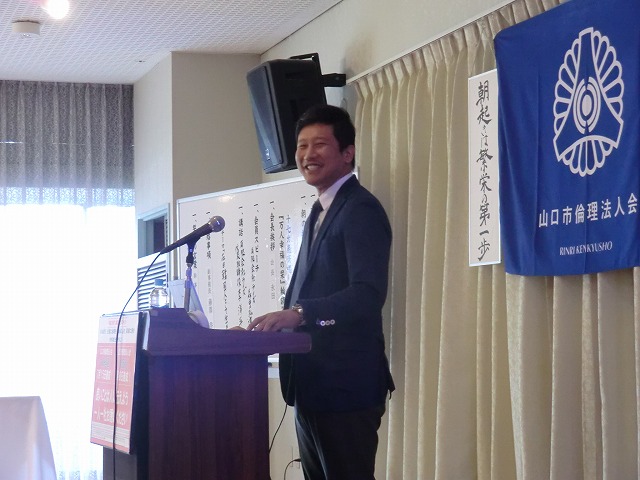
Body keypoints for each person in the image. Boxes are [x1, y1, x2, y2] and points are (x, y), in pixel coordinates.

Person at [247, 104, 394, 480]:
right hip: (312, 384)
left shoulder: (360, 209)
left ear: (348, 153)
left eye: (320, 144)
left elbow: (367, 294)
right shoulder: (320, 210)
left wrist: (300, 313)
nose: (307, 154)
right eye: (302, 146)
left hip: (346, 386)